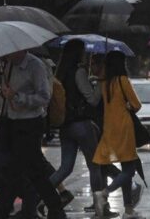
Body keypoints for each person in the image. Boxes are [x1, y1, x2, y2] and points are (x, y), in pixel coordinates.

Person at [0, 50, 65, 219]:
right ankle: (51, 206)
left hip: (30, 124)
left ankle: (7, 209)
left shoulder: (35, 66)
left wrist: (18, 97)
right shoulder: (8, 65)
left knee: (27, 169)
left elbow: (44, 97)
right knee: (18, 168)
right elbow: (6, 96)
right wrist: (4, 96)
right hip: (11, 123)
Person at [48, 40, 116, 216]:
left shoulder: (60, 73)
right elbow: (92, 99)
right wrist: (101, 82)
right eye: (84, 51)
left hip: (65, 126)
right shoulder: (79, 72)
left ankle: (41, 197)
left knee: (65, 168)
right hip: (81, 125)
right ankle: (100, 209)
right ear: (78, 53)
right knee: (96, 167)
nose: (86, 54)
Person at [92, 51, 143, 219]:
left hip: (109, 129)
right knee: (129, 169)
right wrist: (128, 106)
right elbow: (136, 104)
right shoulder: (122, 80)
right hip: (124, 129)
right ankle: (104, 193)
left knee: (125, 169)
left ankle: (128, 210)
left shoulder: (105, 83)